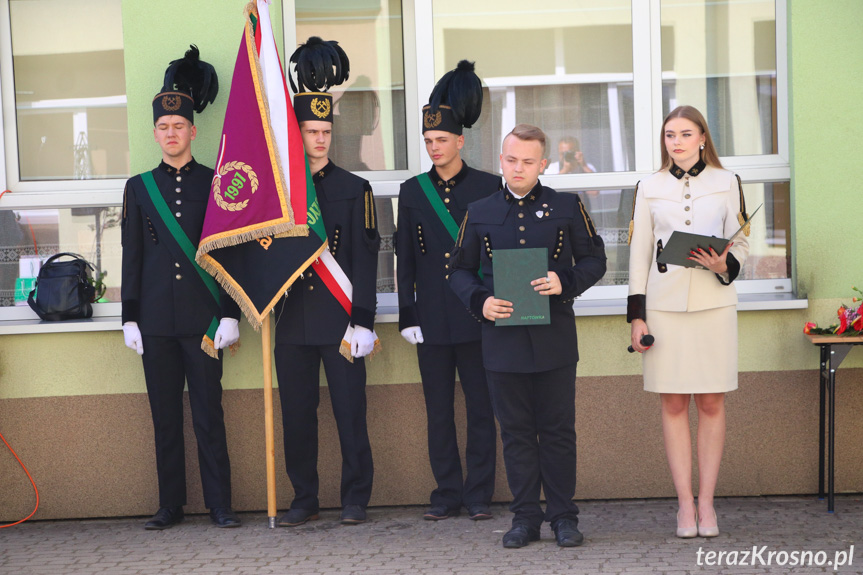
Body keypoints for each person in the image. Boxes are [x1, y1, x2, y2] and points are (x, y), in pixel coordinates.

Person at [449, 124, 606, 548]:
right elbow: (459, 271)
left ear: (544, 164)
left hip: (554, 337)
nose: (519, 168)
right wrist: (479, 301)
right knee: (516, 432)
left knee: (557, 431)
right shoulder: (479, 210)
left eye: (528, 161)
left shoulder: (567, 206)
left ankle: (563, 517)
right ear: (501, 160)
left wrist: (565, 280)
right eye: (511, 159)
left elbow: (595, 260)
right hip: (502, 341)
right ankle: (524, 519)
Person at [121, 46, 242, 530]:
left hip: (204, 320)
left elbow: (231, 253)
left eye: (179, 127)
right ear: (155, 133)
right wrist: (129, 316)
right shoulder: (138, 187)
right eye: (163, 127)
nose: (171, 134)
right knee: (165, 417)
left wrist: (230, 312)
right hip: (154, 321)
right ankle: (170, 505)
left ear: (193, 130)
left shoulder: (216, 183)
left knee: (209, 415)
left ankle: (221, 504)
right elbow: (133, 255)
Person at [627, 105, 750, 538]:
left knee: (712, 403)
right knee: (674, 403)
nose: (675, 142)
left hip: (715, 306)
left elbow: (746, 243)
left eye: (684, 134)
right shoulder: (649, 186)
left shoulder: (727, 182)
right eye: (668, 135)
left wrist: (723, 263)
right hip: (663, 308)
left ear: (702, 137)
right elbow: (639, 253)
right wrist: (636, 317)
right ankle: (684, 506)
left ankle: (708, 505)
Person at [276, 37, 380, 527]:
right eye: (310, 131)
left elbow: (365, 259)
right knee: (297, 418)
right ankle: (304, 498)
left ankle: (356, 498)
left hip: (340, 322)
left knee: (349, 414)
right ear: (295, 133)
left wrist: (363, 320)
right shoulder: (278, 195)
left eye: (325, 130)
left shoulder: (354, 189)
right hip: (292, 321)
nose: (320, 139)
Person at [396, 60, 499, 522]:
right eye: (428, 141)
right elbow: (405, 259)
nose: (435, 148)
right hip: (432, 318)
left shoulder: (488, 187)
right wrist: (407, 315)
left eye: (442, 140)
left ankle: (479, 495)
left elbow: (495, 258)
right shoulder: (413, 191)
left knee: (481, 409)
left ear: (460, 140)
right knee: (438, 412)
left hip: (478, 315)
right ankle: (447, 494)